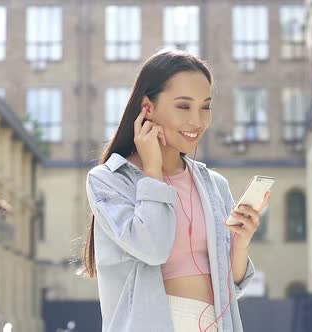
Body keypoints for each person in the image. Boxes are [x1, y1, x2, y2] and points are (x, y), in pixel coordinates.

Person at [80, 49, 271, 332]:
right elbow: (152, 249)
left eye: (205, 106)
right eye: (183, 106)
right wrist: (153, 172)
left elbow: (229, 287)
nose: (197, 120)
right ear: (148, 107)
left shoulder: (214, 184)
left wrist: (240, 242)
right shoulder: (109, 181)